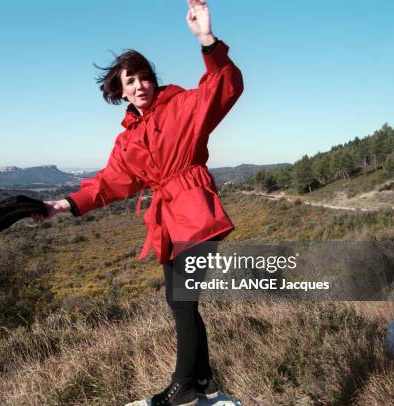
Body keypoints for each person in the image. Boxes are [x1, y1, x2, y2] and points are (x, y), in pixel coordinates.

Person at [33, 1, 243, 404]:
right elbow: (108, 183)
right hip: (167, 223)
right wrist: (63, 205)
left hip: (197, 214)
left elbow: (226, 84)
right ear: (120, 91)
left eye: (145, 77)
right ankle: (203, 380)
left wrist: (206, 40)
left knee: (182, 301)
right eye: (131, 82)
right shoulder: (127, 140)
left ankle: (183, 386)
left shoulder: (183, 105)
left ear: (152, 80)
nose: (140, 86)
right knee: (180, 301)